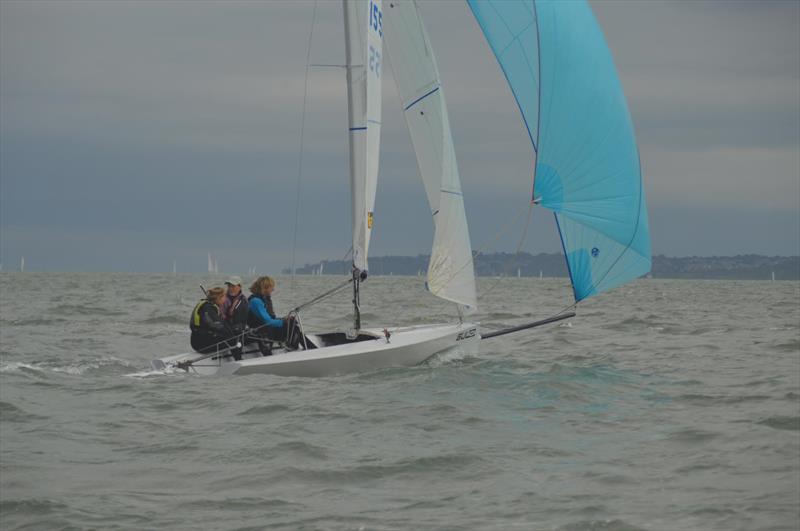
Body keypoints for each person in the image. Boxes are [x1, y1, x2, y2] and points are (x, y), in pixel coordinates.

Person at [189, 287, 237, 355]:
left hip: (200, 338)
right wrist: (232, 335)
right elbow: (218, 325)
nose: (226, 299)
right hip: (200, 343)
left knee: (232, 335)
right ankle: (238, 360)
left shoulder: (209, 305)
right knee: (233, 340)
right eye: (224, 297)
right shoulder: (208, 308)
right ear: (218, 298)